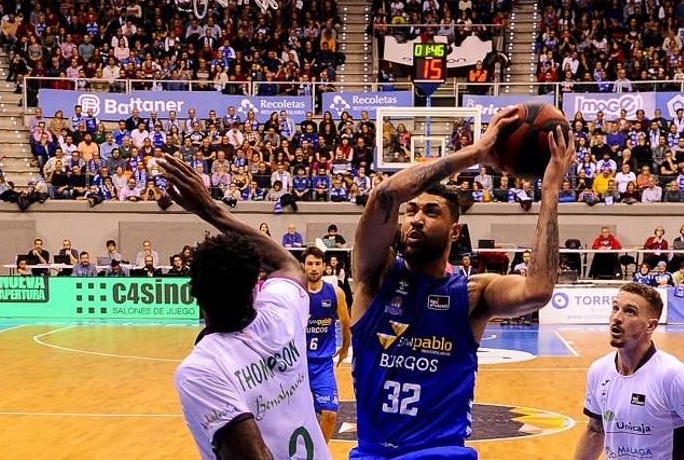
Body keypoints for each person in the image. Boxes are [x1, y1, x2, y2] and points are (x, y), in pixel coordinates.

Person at [348, 106, 572, 459]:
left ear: (455, 231)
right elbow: (385, 196)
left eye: (431, 212)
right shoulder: (375, 277)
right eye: (412, 211)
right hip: (373, 452)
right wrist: (474, 153)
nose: (416, 219)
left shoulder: (472, 293)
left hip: (442, 452)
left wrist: (549, 192)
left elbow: (538, 289)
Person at [158, 156, 331, 460]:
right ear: (256, 286)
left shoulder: (201, 370)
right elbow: (285, 262)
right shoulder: (282, 311)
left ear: (194, 294)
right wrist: (210, 209)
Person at [573, 282, 684, 459]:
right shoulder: (598, 371)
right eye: (615, 308)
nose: (617, 317)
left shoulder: (674, 376)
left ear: (651, 326)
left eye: (629, 311)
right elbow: (595, 429)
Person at [302, 247, 351, 443]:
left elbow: (346, 322)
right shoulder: (296, 292)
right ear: (303, 266)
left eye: (317, 264)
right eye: (310, 263)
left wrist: (346, 347)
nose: (314, 268)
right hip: (298, 364)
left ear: (324, 266)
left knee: (330, 413)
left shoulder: (335, 292)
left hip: (322, 364)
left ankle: (319, 455)